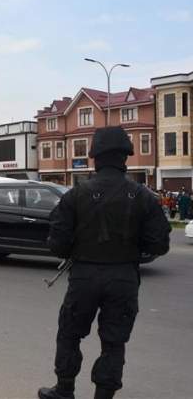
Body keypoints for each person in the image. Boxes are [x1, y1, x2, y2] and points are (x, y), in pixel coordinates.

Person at [38, 127, 171, 399]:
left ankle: (64, 390)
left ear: (94, 157)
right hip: (123, 277)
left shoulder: (75, 195)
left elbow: (57, 244)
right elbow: (159, 245)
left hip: (84, 276)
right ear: (126, 158)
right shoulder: (144, 196)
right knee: (114, 342)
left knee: (70, 334)